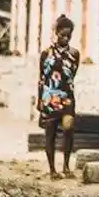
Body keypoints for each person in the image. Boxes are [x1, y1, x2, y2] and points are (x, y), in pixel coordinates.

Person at [38, 15, 80, 179]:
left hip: (67, 96)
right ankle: (52, 169)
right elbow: (41, 78)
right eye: (62, 35)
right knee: (51, 133)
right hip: (49, 97)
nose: (65, 38)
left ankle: (66, 166)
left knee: (69, 128)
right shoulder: (46, 53)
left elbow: (72, 75)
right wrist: (39, 100)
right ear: (56, 33)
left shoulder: (74, 54)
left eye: (68, 35)